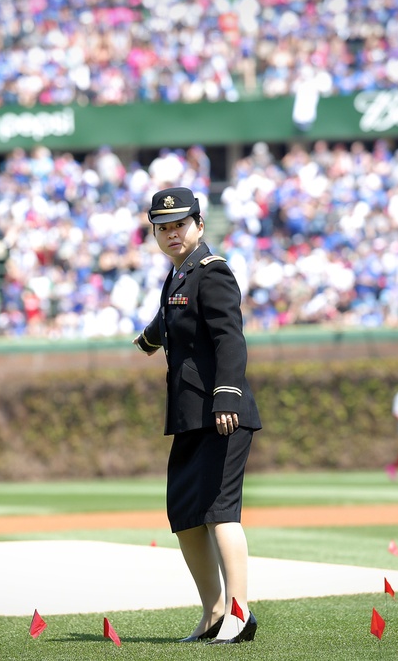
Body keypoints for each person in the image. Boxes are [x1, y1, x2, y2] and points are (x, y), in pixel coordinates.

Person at [133, 186, 261, 645]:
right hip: (190, 414)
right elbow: (174, 321)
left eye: (179, 225)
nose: (171, 234)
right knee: (186, 514)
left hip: (221, 411)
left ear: (200, 225)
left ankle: (240, 613)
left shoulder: (213, 272)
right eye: (162, 228)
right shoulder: (178, 276)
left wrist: (227, 395)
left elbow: (230, 338)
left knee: (219, 512)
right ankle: (214, 612)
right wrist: (150, 337)